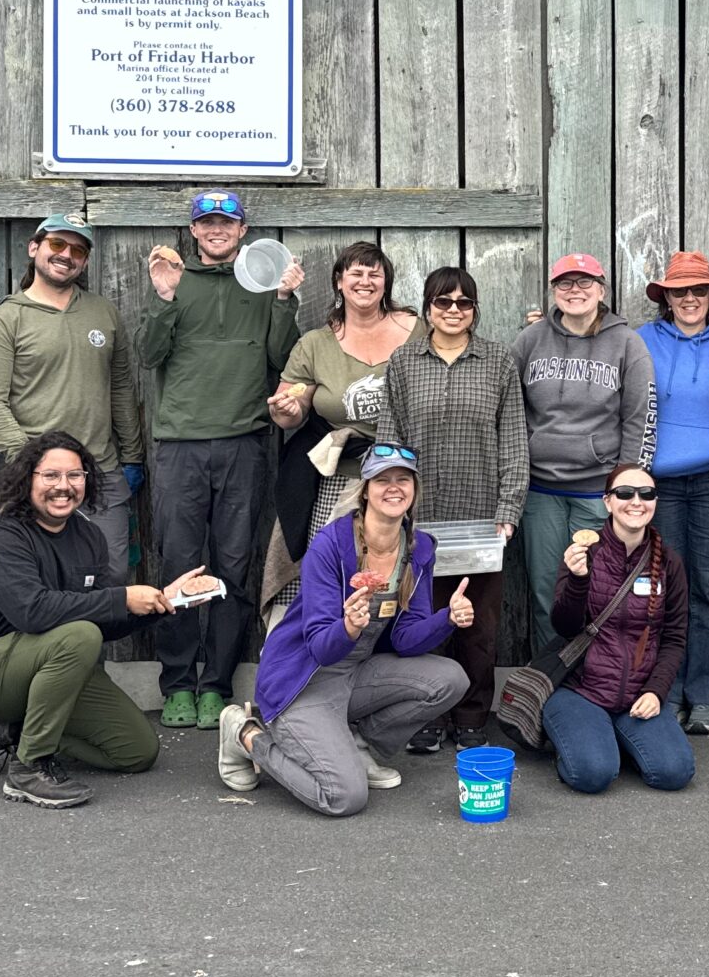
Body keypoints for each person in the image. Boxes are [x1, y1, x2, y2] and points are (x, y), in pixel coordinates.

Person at [0, 433, 212, 810]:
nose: (63, 487)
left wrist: (162, 602)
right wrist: (122, 598)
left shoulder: (88, 535)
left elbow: (105, 619)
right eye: (50, 476)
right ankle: (28, 768)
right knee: (80, 635)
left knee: (137, 752)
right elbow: (31, 612)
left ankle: (12, 730)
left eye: (75, 475)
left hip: (54, 664)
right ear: (27, 478)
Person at [220, 445, 472, 817]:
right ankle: (245, 735)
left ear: (415, 489)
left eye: (403, 479)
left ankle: (358, 747)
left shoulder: (419, 549)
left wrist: (446, 618)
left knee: (450, 679)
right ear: (365, 489)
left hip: (355, 676)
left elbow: (405, 639)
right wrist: (349, 627)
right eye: (382, 480)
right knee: (344, 797)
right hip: (302, 682)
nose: (394, 488)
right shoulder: (329, 545)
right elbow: (321, 647)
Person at [134, 189, 306, 731]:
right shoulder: (175, 281)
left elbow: (284, 358)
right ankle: (178, 683)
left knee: (233, 566)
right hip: (180, 444)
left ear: (242, 229)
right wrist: (164, 297)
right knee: (180, 565)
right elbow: (147, 354)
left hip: (245, 443)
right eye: (206, 222)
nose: (215, 230)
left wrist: (283, 302)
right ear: (194, 230)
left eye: (225, 222)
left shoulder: (262, 284)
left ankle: (218, 684)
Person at [377, 264, 527, 754]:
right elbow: (388, 440)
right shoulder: (402, 364)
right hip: (420, 520)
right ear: (428, 308)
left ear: (475, 309)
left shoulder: (498, 363)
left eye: (464, 303)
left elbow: (514, 444)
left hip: (482, 519)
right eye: (444, 302)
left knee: (478, 626)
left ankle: (470, 716)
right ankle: (427, 712)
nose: (454, 311)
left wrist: (508, 509)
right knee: (423, 620)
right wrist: (389, 507)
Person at [0, 216, 144, 576]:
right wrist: (31, 465)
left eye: (78, 249)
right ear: (34, 248)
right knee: (38, 577)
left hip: (100, 472)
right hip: (33, 479)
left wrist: (132, 456)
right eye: (57, 245)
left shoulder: (103, 313)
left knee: (111, 576)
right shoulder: (5, 320)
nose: (66, 254)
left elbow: (121, 389)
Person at [515, 252, 656, 645]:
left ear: (601, 290)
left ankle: (598, 682)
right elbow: (510, 409)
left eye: (584, 282)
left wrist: (626, 491)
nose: (574, 291)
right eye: (565, 283)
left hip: (598, 493)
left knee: (601, 592)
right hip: (541, 493)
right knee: (548, 592)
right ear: (553, 291)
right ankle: (550, 681)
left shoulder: (628, 344)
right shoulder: (530, 340)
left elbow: (639, 418)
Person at [544, 463, 696, 794]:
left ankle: (609, 738)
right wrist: (578, 580)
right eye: (625, 493)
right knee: (592, 775)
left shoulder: (669, 562)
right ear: (607, 502)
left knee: (674, 772)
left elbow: (674, 638)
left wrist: (656, 692)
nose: (636, 501)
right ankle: (584, 740)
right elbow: (564, 626)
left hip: (637, 697)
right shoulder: (585, 552)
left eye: (647, 493)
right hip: (581, 692)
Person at [637, 252, 709, 735]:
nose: (690, 299)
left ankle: (702, 699)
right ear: (667, 298)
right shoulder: (643, 340)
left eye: (699, 290)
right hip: (658, 486)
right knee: (663, 590)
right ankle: (665, 690)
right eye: (681, 292)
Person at [265, 240, 416, 561]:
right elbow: (289, 411)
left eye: (375, 274)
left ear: (386, 282)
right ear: (339, 281)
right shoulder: (315, 344)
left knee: (400, 570)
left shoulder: (416, 330)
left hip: (402, 479)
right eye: (356, 273)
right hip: (340, 481)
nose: (365, 281)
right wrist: (288, 410)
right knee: (332, 570)